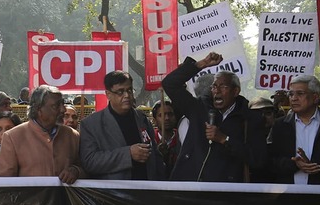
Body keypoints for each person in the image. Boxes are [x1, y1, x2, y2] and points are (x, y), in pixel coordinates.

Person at [162, 52, 266, 182]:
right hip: (190, 188)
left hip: (224, 192)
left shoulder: (249, 119)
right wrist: (201, 64)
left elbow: (258, 159)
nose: (217, 91)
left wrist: (225, 139)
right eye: (214, 86)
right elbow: (169, 84)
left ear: (235, 91)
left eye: (223, 87)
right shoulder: (198, 108)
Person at [79, 71, 165, 180]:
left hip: (147, 190)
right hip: (114, 193)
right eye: (120, 92)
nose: (127, 95)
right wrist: (128, 154)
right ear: (108, 94)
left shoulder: (142, 119)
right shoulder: (91, 124)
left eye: (129, 90)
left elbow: (155, 156)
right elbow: (90, 162)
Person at [0, 85, 82, 184]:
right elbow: (4, 183)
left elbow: (86, 168)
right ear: (38, 109)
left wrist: (76, 171)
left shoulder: (72, 136)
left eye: (62, 104)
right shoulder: (13, 137)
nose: (63, 110)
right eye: (56, 106)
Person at [152, 99, 178, 177]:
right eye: (161, 115)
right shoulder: (150, 140)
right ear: (154, 120)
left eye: (170, 114)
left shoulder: (183, 137)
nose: (167, 118)